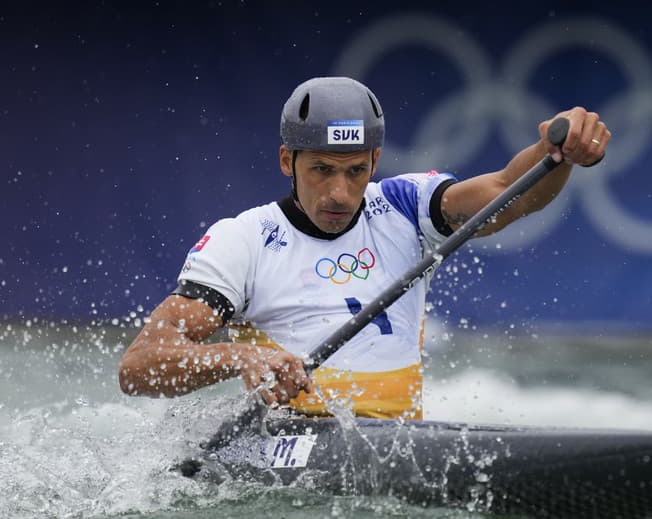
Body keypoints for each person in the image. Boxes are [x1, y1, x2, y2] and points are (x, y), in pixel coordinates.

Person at [118, 77, 610, 420]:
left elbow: (508, 192)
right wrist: (241, 360)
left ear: (376, 159)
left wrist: (558, 153)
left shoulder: (404, 205)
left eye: (355, 170)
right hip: (293, 441)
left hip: (400, 439)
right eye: (322, 170)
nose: (338, 193)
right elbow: (139, 367)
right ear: (288, 160)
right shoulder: (243, 240)